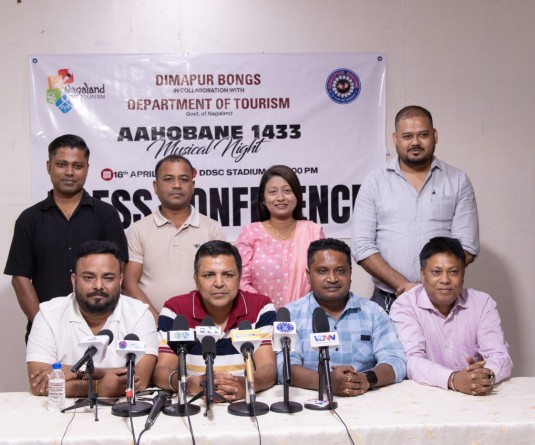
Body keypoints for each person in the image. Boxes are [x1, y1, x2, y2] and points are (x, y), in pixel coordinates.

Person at [351, 106, 480, 314]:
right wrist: (405, 287)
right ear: (395, 138)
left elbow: (468, 246)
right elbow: (362, 247)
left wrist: (432, 282)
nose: (415, 142)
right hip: (387, 300)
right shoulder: (375, 181)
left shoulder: (458, 181)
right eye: (407, 136)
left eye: (423, 135)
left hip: (442, 299)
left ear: (435, 135)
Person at [4, 134, 128, 341]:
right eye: (62, 164)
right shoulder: (29, 219)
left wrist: (99, 324)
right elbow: (20, 279)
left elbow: (118, 269)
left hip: (101, 331)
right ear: (49, 166)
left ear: (87, 168)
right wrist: (44, 327)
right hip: (45, 333)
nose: (69, 172)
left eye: (77, 166)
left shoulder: (106, 215)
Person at [26, 241, 157, 398]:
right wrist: (98, 386)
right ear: (74, 280)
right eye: (89, 277)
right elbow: (40, 385)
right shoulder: (48, 314)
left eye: (108, 277)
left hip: (122, 410)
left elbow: (139, 381)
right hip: (61, 411)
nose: (98, 285)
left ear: (120, 280)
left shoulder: (140, 314)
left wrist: (66, 372)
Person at [279, 238, 406, 397]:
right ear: (308, 275)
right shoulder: (290, 315)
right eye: (322, 271)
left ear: (350, 273)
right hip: (311, 401)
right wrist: (326, 382)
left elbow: (396, 361)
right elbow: (284, 367)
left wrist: (366, 379)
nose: (332, 279)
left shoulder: (373, 312)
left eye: (340, 271)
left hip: (366, 399)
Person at [153, 240, 276, 402]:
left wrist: (247, 384)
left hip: (246, 402)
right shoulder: (175, 310)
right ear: (196, 279)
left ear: (239, 277)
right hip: (194, 402)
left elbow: (268, 368)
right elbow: (162, 371)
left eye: (228, 275)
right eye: (208, 275)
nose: (219, 283)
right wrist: (190, 383)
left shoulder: (260, 307)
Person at [390, 237, 512, 395]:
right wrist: (453, 379)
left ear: (463, 274)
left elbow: (499, 355)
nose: (445, 280)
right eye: (436, 272)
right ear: (422, 275)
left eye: (453, 272)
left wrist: (485, 376)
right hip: (425, 395)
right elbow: (412, 360)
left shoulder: (482, 303)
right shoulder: (405, 305)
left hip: (475, 394)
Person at [123, 155, 226, 320]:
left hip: (204, 325)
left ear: (192, 186)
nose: (177, 185)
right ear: (155, 186)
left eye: (184, 179)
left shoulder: (212, 229)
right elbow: (129, 284)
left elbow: (223, 281)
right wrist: (156, 322)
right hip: (152, 325)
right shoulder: (138, 230)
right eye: (168, 179)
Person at [236, 165, 324, 309]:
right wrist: (267, 308)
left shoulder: (313, 232)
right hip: (261, 316)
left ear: (297, 195)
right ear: (263, 199)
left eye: (287, 191)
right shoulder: (250, 233)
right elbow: (240, 281)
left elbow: (323, 277)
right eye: (273, 192)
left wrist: (299, 310)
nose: (281, 198)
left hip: (307, 314)